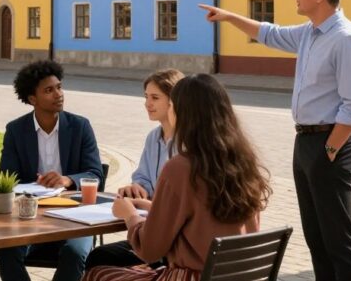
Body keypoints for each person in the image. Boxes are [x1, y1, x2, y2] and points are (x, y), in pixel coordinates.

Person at [200, 0, 351, 281]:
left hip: (330, 142)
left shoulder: (346, 39)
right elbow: (269, 33)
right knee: (316, 238)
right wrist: (228, 16)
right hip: (306, 141)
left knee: (338, 240)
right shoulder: (309, 33)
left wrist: (330, 150)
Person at [85, 74, 270, 281]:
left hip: (191, 277)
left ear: (183, 114)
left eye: (172, 105)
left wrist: (130, 215)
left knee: (97, 274)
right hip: (236, 276)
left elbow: (150, 249)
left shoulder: (181, 168)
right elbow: (203, 217)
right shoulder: (243, 163)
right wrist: (151, 207)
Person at [0, 60, 103, 281]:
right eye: (49, 90)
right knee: (5, 250)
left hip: (75, 214)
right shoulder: (16, 130)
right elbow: (6, 178)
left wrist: (66, 180)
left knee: (74, 253)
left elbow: (95, 174)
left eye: (59, 87)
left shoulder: (80, 126)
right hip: (28, 215)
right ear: (32, 99)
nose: (59, 94)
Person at [85, 69, 183, 271]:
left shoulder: (186, 147)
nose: (148, 104)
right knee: (99, 256)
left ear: (174, 102)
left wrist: (134, 211)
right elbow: (143, 177)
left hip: (168, 241)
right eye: (146, 97)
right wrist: (137, 187)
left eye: (155, 97)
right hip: (152, 226)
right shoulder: (153, 138)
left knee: (100, 259)